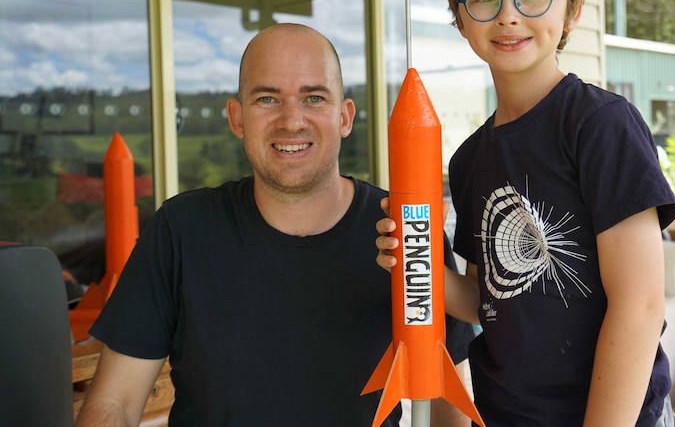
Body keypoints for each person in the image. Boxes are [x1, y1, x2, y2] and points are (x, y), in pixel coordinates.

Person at [376, 0, 675, 426]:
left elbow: (639, 307)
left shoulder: (600, 126)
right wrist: (416, 266)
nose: (509, 16)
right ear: (460, 16)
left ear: (572, 8)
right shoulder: (470, 160)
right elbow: (488, 300)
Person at [76, 23, 475, 427]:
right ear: (237, 118)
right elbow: (116, 404)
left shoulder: (403, 235)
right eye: (267, 98)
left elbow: (450, 411)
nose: (291, 121)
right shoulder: (181, 230)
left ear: (344, 117)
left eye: (313, 97)